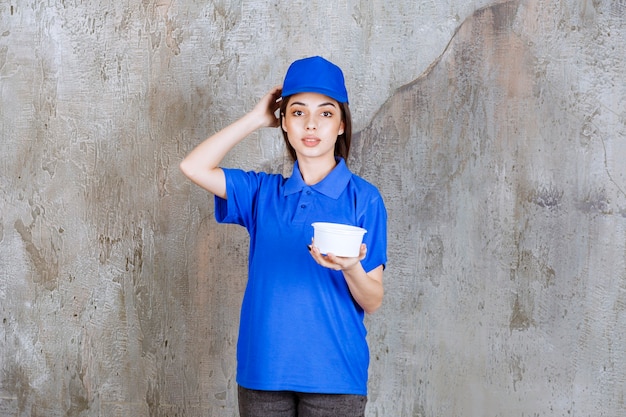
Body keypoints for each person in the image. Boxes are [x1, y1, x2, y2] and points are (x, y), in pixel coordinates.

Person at [180, 56, 388, 417]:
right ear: (284, 124)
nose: (311, 124)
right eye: (297, 112)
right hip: (263, 371)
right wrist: (255, 119)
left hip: (335, 376)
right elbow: (193, 167)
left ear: (341, 125)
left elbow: (372, 300)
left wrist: (352, 267)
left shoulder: (364, 198)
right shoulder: (262, 193)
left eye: (325, 113)